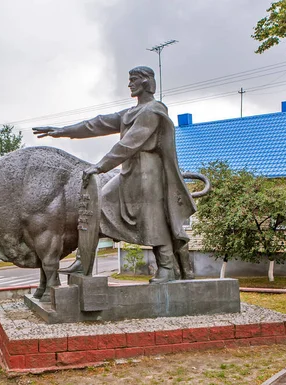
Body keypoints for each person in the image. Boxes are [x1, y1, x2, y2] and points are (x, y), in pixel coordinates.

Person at [33, 66, 195, 283]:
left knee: (153, 219)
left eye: (134, 80)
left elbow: (128, 144)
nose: (129, 84)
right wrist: (63, 131)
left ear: (146, 82)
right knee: (95, 208)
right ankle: (84, 261)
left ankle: (166, 268)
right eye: (129, 80)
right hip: (129, 173)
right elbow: (96, 124)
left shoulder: (152, 111)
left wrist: (100, 166)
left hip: (150, 176)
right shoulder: (129, 113)